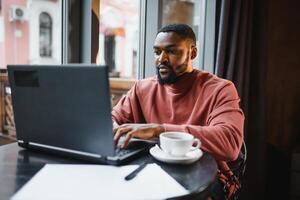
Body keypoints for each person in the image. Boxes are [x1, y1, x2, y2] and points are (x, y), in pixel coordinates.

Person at [112, 23, 244, 199]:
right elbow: (111, 119)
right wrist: (111, 127)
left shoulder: (221, 89)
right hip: (152, 173)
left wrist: (159, 130)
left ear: (192, 53)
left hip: (207, 180)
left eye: (172, 51)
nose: (161, 59)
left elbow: (230, 143)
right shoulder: (141, 88)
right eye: (157, 52)